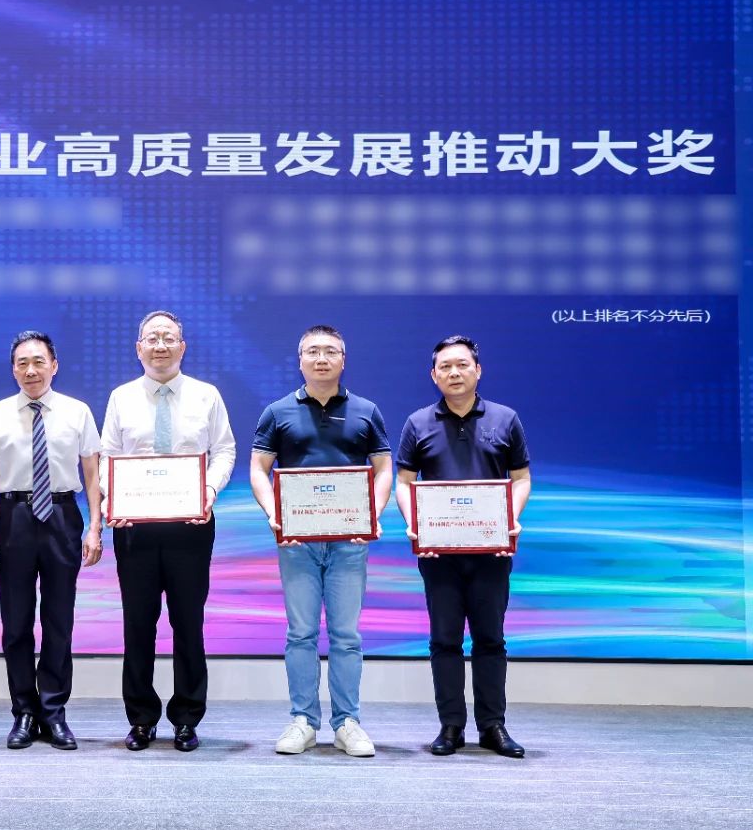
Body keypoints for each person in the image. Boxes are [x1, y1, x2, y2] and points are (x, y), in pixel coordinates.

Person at [249, 325, 392, 757]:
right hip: (297, 542)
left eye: (331, 351)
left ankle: (347, 722)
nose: (322, 358)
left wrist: (371, 514)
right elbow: (259, 468)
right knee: (301, 633)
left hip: (350, 540)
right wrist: (274, 514)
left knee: (346, 635)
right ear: (300, 360)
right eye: (313, 351)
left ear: (343, 360)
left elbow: (384, 468)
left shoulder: (366, 410)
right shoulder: (277, 411)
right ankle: (303, 721)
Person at [100, 311, 235, 752]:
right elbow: (107, 455)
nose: (161, 345)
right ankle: (141, 719)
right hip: (135, 528)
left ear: (183, 346)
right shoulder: (121, 397)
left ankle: (187, 718)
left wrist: (208, 491)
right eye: (152, 338)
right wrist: (112, 499)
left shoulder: (206, 395)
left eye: (169, 338)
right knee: (138, 624)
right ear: (138, 348)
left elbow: (225, 450)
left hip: (191, 526)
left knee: (188, 623)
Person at [394, 335, 531, 758]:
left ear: (478, 370)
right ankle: (450, 726)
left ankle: (493, 726)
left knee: (491, 639)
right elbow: (404, 482)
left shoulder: (505, 419)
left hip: (491, 552)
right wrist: (416, 524)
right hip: (439, 554)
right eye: (445, 367)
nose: (454, 373)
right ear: (434, 375)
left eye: (462, 365)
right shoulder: (418, 423)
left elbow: (521, 478)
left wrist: (510, 519)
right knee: (444, 640)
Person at [0, 331, 103, 750]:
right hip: (14, 516)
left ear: (54, 365)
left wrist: (95, 526)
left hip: (63, 515)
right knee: (16, 622)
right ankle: (24, 713)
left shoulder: (77, 412)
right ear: (13, 369)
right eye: (22, 363)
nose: (31, 370)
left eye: (39, 361)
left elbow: (92, 473)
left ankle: (54, 711)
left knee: (59, 620)